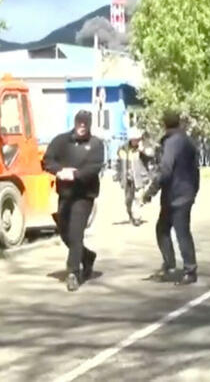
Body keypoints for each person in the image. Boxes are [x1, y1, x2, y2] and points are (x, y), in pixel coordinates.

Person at [43, 110, 105, 292]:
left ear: (89, 125)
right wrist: (59, 171)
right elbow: (47, 161)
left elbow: (94, 167)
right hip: (65, 194)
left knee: (76, 232)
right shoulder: (61, 141)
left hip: (84, 195)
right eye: (79, 123)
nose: (82, 127)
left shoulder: (96, 145)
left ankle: (73, 272)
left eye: (85, 124)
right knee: (65, 233)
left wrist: (75, 174)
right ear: (75, 123)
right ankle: (87, 256)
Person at [140, 110, 201, 285]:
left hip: (176, 194)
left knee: (180, 232)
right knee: (163, 229)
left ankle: (189, 269)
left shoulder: (172, 143)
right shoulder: (187, 140)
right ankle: (170, 264)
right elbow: (195, 168)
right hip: (183, 192)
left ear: (164, 124)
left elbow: (165, 170)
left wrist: (150, 192)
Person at [117, 128, 154, 227]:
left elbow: (151, 155)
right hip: (127, 178)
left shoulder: (143, 148)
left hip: (140, 178)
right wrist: (118, 176)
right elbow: (119, 163)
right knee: (128, 200)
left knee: (138, 198)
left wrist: (143, 150)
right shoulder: (123, 149)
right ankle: (131, 215)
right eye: (134, 139)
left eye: (138, 139)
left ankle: (137, 218)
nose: (136, 141)